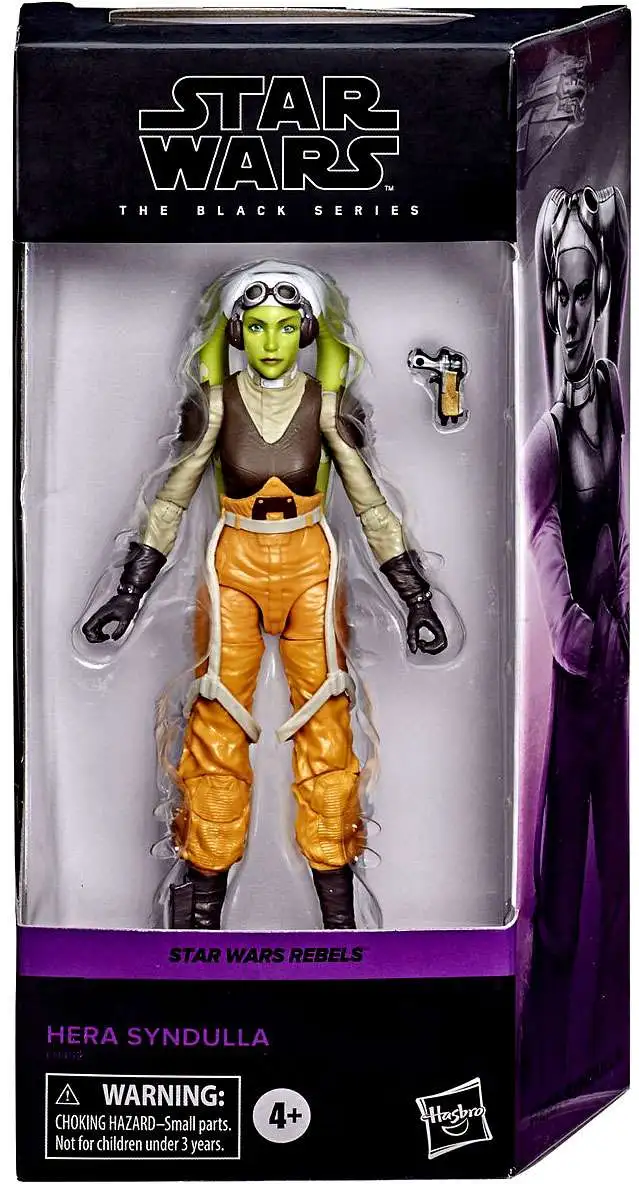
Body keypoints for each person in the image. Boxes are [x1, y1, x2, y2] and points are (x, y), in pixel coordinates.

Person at [83, 262, 447, 931]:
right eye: (257, 327)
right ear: (237, 332)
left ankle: (339, 915)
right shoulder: (216, 407)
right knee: (217, 725)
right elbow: (172, 496)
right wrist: (129, 591)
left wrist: (414, 595)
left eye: (284, 326)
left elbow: (370, 503)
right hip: (234, 565)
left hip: (311, 565)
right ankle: (202, 905)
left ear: (306, 331)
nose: (272, 342)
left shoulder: (327, 408)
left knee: (326, 723)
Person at [521, 188, 629, 1106]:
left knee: (620, 891)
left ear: (604, 296)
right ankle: (541, 1073)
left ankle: (609, 1062)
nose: (567, 315)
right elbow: (547, 550)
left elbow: (620, 529)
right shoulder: (544, 441)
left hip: (617, 693)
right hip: (572, 696)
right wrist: (590, 637)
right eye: (556, 293)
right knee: (558, 902)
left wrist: (622, 621)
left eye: (582, 292)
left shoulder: (617, 406)